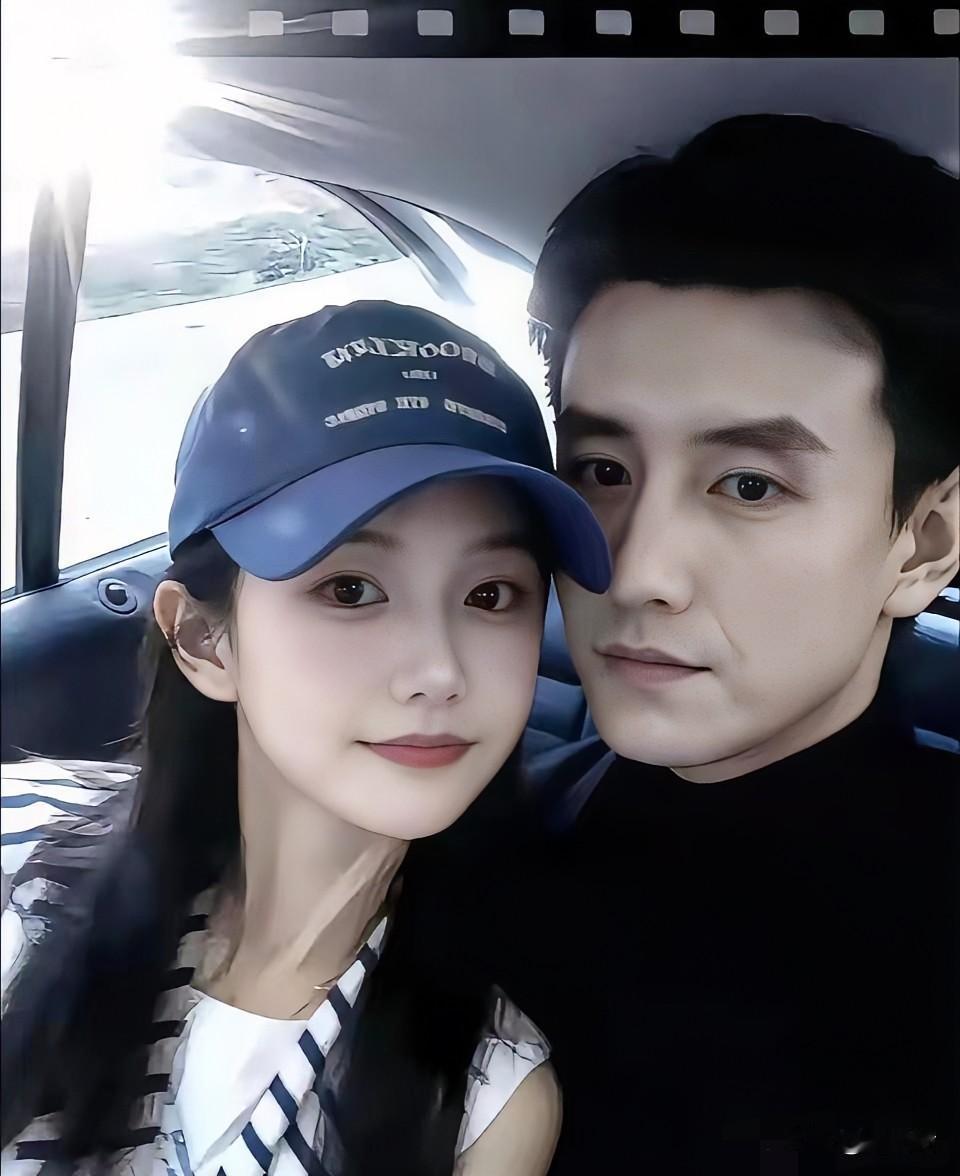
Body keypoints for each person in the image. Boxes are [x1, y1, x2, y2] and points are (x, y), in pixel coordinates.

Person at [443, 115, 959, 1173]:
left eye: (749, 485)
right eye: (602, 471)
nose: (636, 570)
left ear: (925, 542)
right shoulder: (463, 848)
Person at [0, 300, 612, 1176]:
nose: (439, 671)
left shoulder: (486, 1100)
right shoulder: (18, 856)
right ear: (204, 640)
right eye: (351, 589)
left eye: (490, 595)